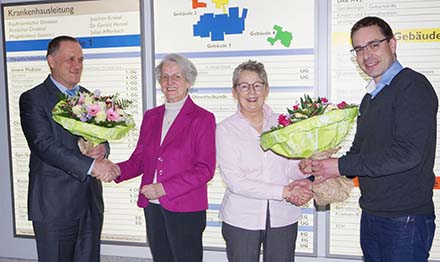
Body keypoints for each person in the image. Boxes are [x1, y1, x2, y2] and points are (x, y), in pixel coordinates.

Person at [303, 16, 437, 261]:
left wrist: (340, 166)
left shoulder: (412, 86)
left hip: (405, 219)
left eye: (374, 44)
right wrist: (318, 171)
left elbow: (408, 154)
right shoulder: (370, 98)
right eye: (359, 49)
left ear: (392, 44)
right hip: (372, 214)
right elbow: (358, 152)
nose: (367, 55)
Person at [19, 36, 119, 262]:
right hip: (55, 207)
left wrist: (102, 148)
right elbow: (43, 145)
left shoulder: (88, 96)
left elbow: (100, 136)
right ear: (51, 61)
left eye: (81, 60)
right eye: (70, 59)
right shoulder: (33, 99)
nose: (77, 65)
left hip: (89, 204)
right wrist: (93, 166)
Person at [113, 53, 216, 262]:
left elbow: (205, 169)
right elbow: (140, 160)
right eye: (165, 77)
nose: (170, 82)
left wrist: (164, 188)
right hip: (153, 208)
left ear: (188, 81)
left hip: (186, 208)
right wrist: (116, 170)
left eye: (177, 76)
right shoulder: (151, 116)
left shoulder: (203, 118)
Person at [216, 60, 314, 262]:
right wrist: (284, 191)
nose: (251, 92)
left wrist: (304, 168)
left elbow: (289, 168)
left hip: (283, 216)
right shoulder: (226, 129)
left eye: (257, 85)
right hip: (242, 219)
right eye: (244, 86)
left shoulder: (283, 123)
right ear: (235, 92)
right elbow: (236, 182)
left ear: (266, 89)